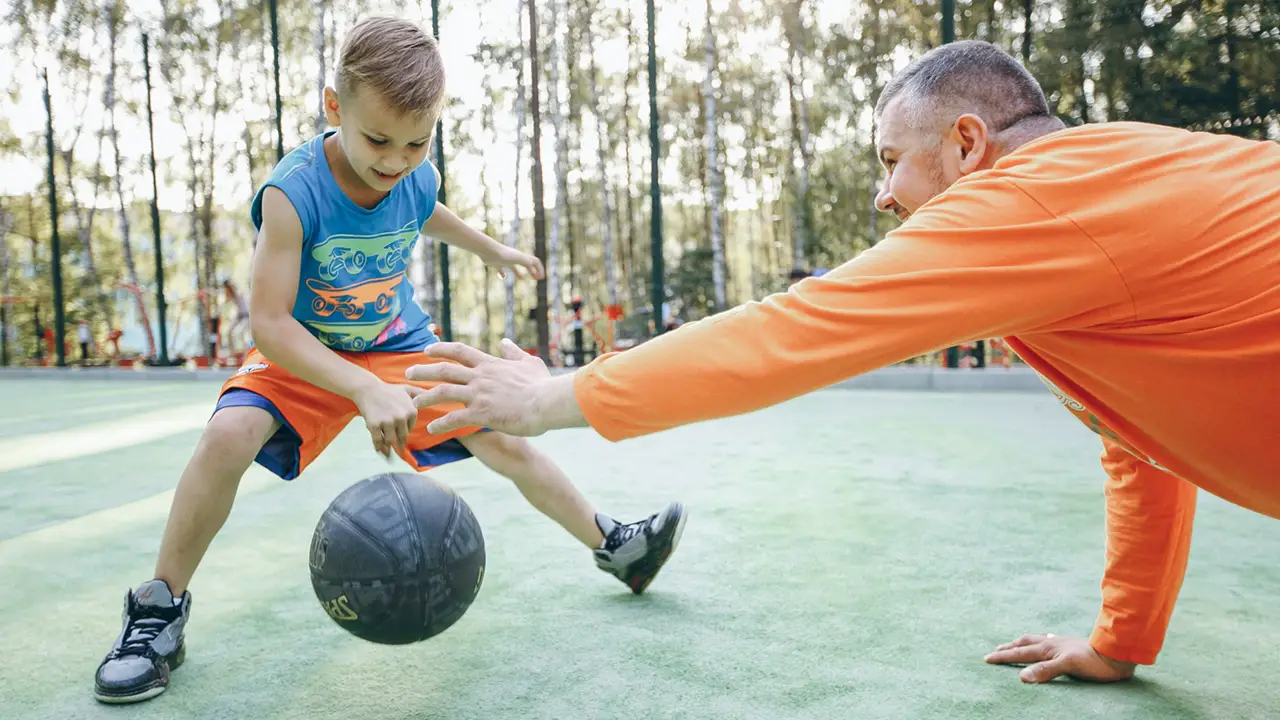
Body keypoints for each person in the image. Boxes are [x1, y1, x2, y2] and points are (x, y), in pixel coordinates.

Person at [405, 40, 1280, 686]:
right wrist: (1121, 639)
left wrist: (550, 396)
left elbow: (796, 330)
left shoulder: (1034, 199)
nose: (882, 193)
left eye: (893, 161)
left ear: (968, 144)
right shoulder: (1099, 200)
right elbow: (1137, 443)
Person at [93, 17, 685, 705]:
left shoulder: (412, 172)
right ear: (334, 107)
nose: (396, 158)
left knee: (497, 428)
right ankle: (159, 612)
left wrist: (487, 248)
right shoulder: (294, 194)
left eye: (416, 141)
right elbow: (271, 323)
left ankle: (617, 546)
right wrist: (357, 388)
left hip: (397, 344)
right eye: (378, 140)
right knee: (226, 435)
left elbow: (423, 205)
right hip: (307, 352)